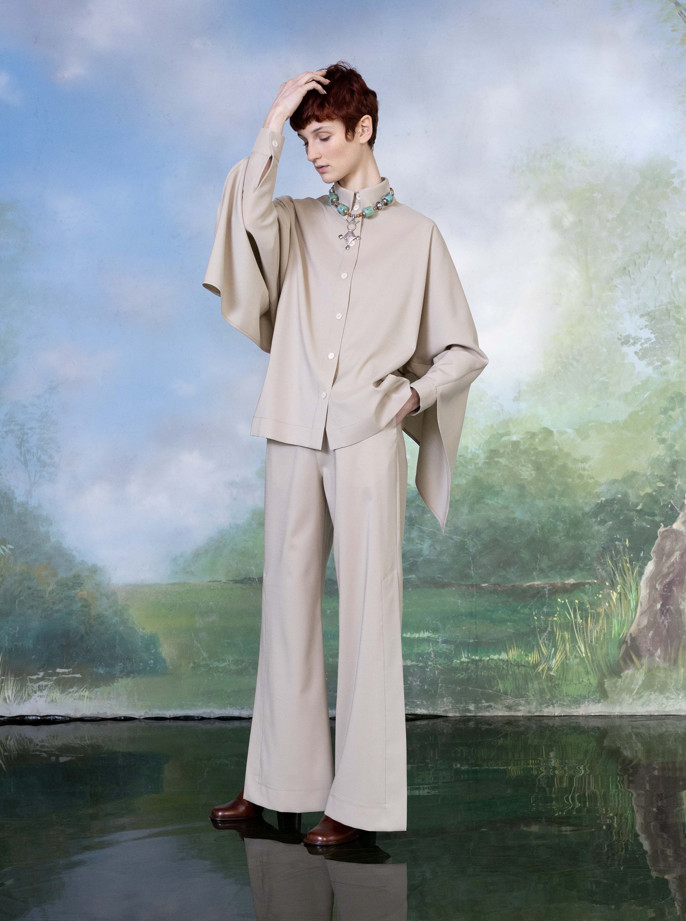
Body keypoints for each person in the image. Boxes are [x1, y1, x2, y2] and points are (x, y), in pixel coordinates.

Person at [202, 62, 488, 847]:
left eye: (323, 136)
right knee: (285, 606)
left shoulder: (419, 236)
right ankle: (277, 785)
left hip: (367, 434)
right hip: (294, 423)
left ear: (364, 129)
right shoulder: (294, 220)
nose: (314, 153)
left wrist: (412, 398)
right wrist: (274, 120)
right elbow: (246, 210)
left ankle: (358, 805)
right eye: (305, 141)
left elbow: (463, 351)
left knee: (369, 610)